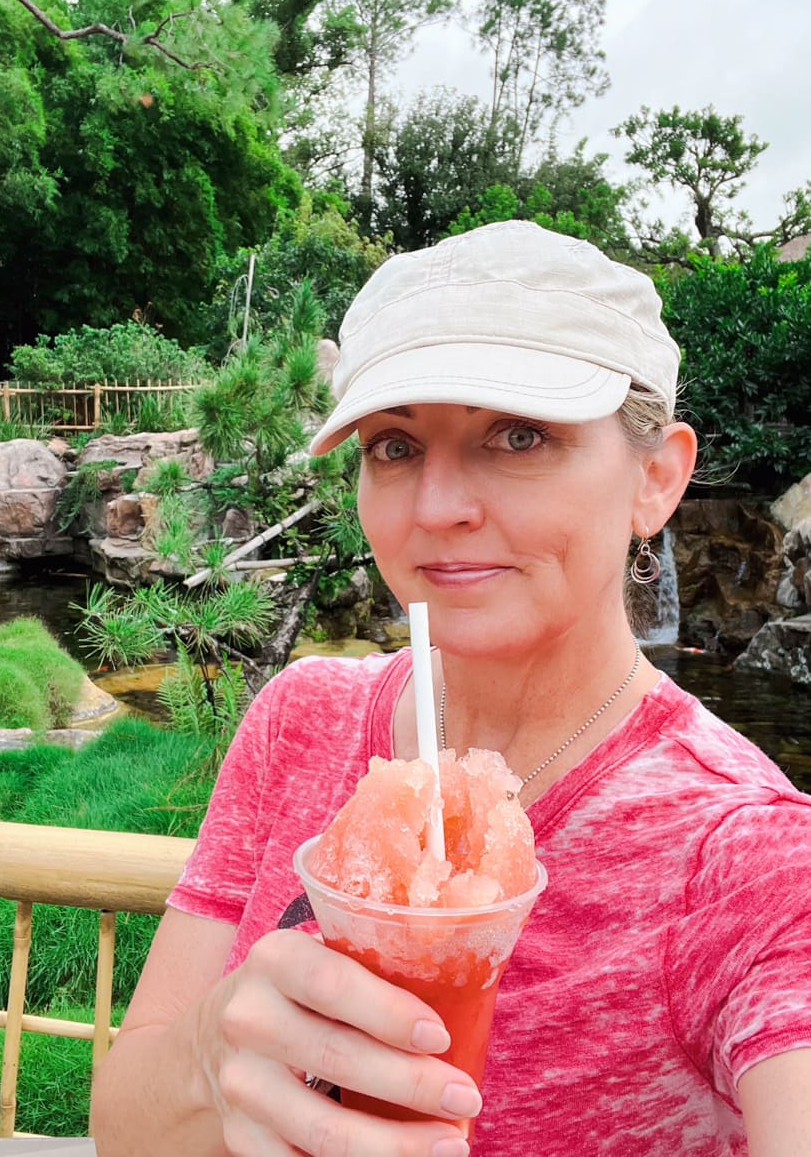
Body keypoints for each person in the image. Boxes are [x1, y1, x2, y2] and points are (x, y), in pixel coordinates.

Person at [91, 222, 811, 1156]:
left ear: (657, 477)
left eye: (519, 436)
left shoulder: (746, 855)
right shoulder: (300, 723)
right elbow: (123, 1126)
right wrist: (208, 1062)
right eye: (393, 446)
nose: (437, 509)